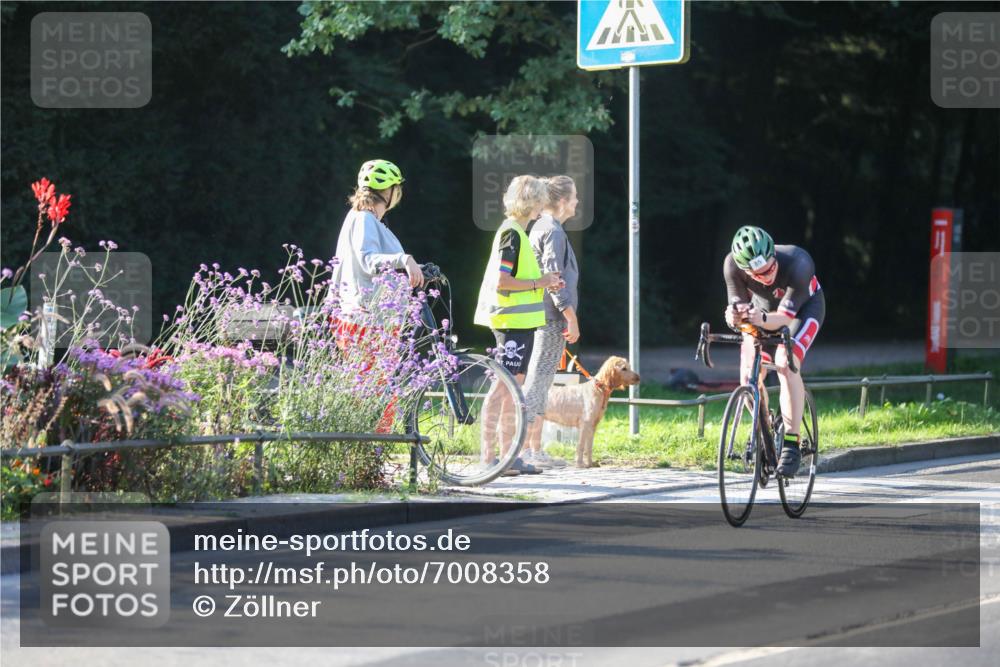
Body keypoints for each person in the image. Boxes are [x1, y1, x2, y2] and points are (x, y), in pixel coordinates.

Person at [474, 175, 563, 475]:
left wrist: (545, 282)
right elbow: (504, 281)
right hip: (510, 322)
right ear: (531, 202)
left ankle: (508, 455)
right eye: (540, 200)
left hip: (520, 322)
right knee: (503, 388)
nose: (543, 206)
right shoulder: (511, 233)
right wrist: (542, 281)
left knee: (513, 388)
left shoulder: (518, 233)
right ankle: (488, 458)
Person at [723, 225, 825, 477]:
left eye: (769, 269)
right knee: (748, 375)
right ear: (745, 269)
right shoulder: (732, 266)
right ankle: (764, 427)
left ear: (774, 255)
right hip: (762, 314)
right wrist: (733, 316)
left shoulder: (798, 263)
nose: (766, 277)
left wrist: (758, 317)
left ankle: (791, 442)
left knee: (784, 361)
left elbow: (783, 318)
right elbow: (739, 309)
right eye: (757, 275)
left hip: (801, 313)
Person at [330, 159, 423, 432]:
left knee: (376, 393)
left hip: (372, 320)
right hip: (365, 321)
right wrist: (404, 258)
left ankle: (369, 457)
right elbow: (369, 260)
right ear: (389, 192)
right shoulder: (364, 219)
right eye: (398, 188)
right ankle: (364, 456)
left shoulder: (367, 221)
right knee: (374, 395)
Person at [521, 175, 581, 469]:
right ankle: (520, 450)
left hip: (541, 314)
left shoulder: (543, 227)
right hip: (550, 316)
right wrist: (571, 317)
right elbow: (554, 278)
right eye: (574, 197)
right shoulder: (553, 231)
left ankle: (533, 448)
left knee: (541, 380)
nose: (577, 202)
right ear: (561, 201)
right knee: (538, 380)